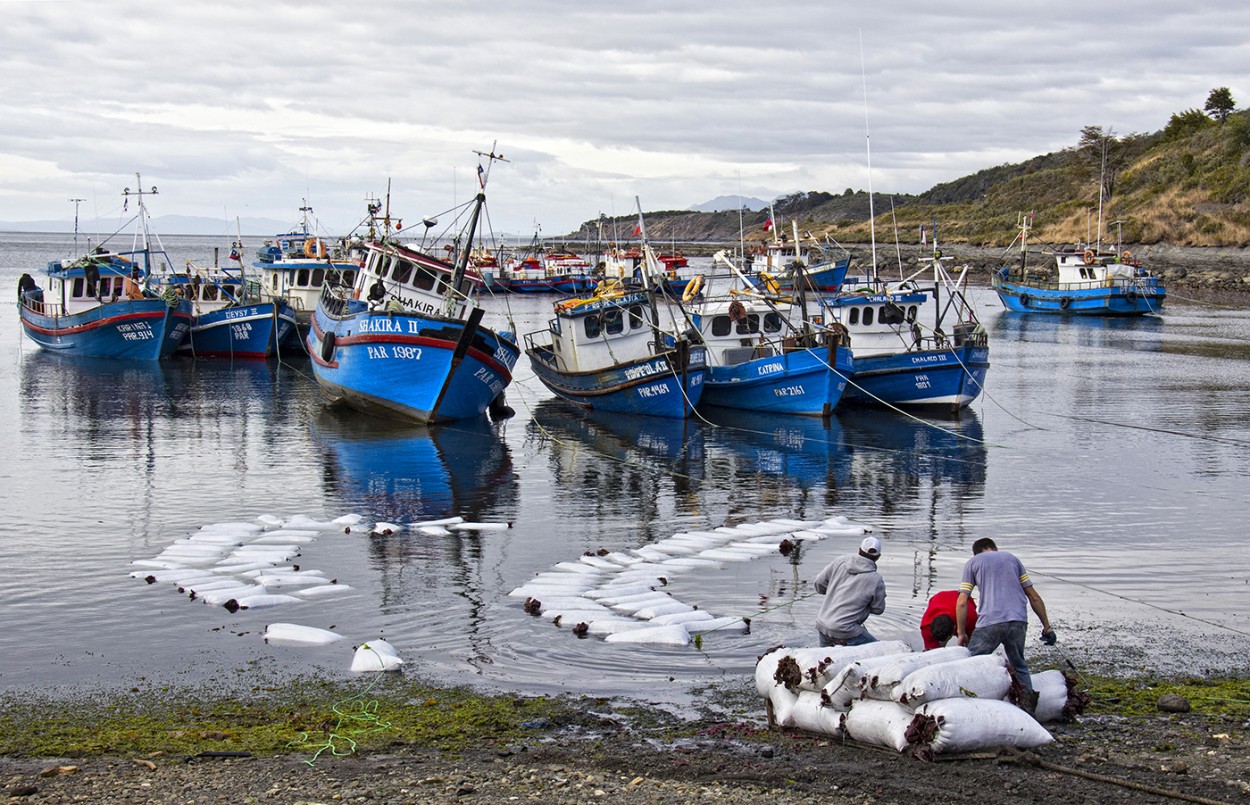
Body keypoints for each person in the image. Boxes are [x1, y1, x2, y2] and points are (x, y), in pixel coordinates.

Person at [956, 538, 1055, 712]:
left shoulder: (973, 562)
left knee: (970, 664)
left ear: (976, 552)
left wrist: (961, 631)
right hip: (1018, 621)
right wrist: (1047, 627)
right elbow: (1034, 596)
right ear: (995, 548)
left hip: (990, 622)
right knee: (1019, 665)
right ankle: (1028, 709)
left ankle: (967, 707)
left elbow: (963, 601)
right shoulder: (1012, 559)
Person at [813, 537, 886, 647]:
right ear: (878, 557)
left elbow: (819, 583)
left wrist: (832, 591)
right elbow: (878, 609)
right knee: (880, 650)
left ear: (859, 550)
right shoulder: (876, 579)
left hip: (822, 625)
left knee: (825, 659)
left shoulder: (840, 561)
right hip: (847, 631)